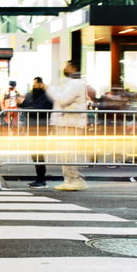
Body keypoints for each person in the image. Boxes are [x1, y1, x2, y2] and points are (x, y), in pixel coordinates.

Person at [47, 60, 89, 191]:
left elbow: (63, 100)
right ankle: (69, 179)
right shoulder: (71, 83)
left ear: (73, 68)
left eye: (67, 66)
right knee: (65, 153)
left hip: (71, 123)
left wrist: (50, 89)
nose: (64, 68)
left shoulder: (76, 84)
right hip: (67, 122)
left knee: (69, 153)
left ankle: (75, 179)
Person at [19, 76, 53, 188]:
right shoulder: (32, 95)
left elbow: (40, 108)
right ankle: (39, 178)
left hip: (41, 127)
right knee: (35, 154)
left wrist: (24, 103)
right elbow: (29, 108)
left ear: (41, 84)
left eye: (36, 85)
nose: (35, 87)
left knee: (38, 154)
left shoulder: (47, 96)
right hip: (33, 127)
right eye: (33, 85)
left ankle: (41, 179)